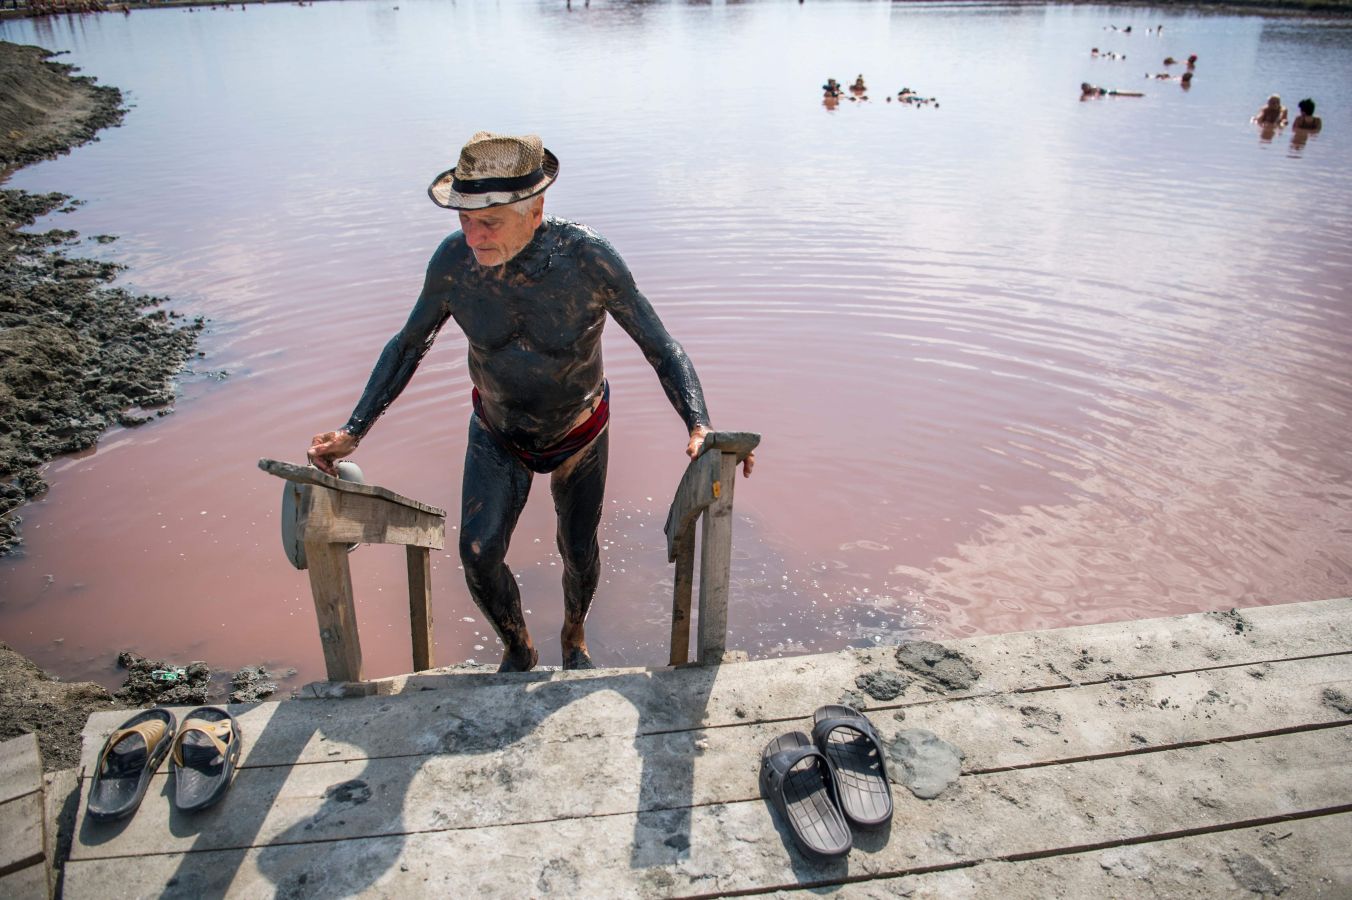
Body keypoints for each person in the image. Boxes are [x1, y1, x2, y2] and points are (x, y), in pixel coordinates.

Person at [306, 132, 754, 673]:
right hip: (499, 431)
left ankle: (574, 633)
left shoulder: (588, 260)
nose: (473, 237)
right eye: (464, 221)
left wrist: (699, 424)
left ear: (535, 211)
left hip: (578, 433)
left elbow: (661, 345)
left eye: (488, 223)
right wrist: (354, 430)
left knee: (578, 551)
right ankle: (518, 645)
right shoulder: (454, 265)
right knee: (477, 552)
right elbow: (408, 345)